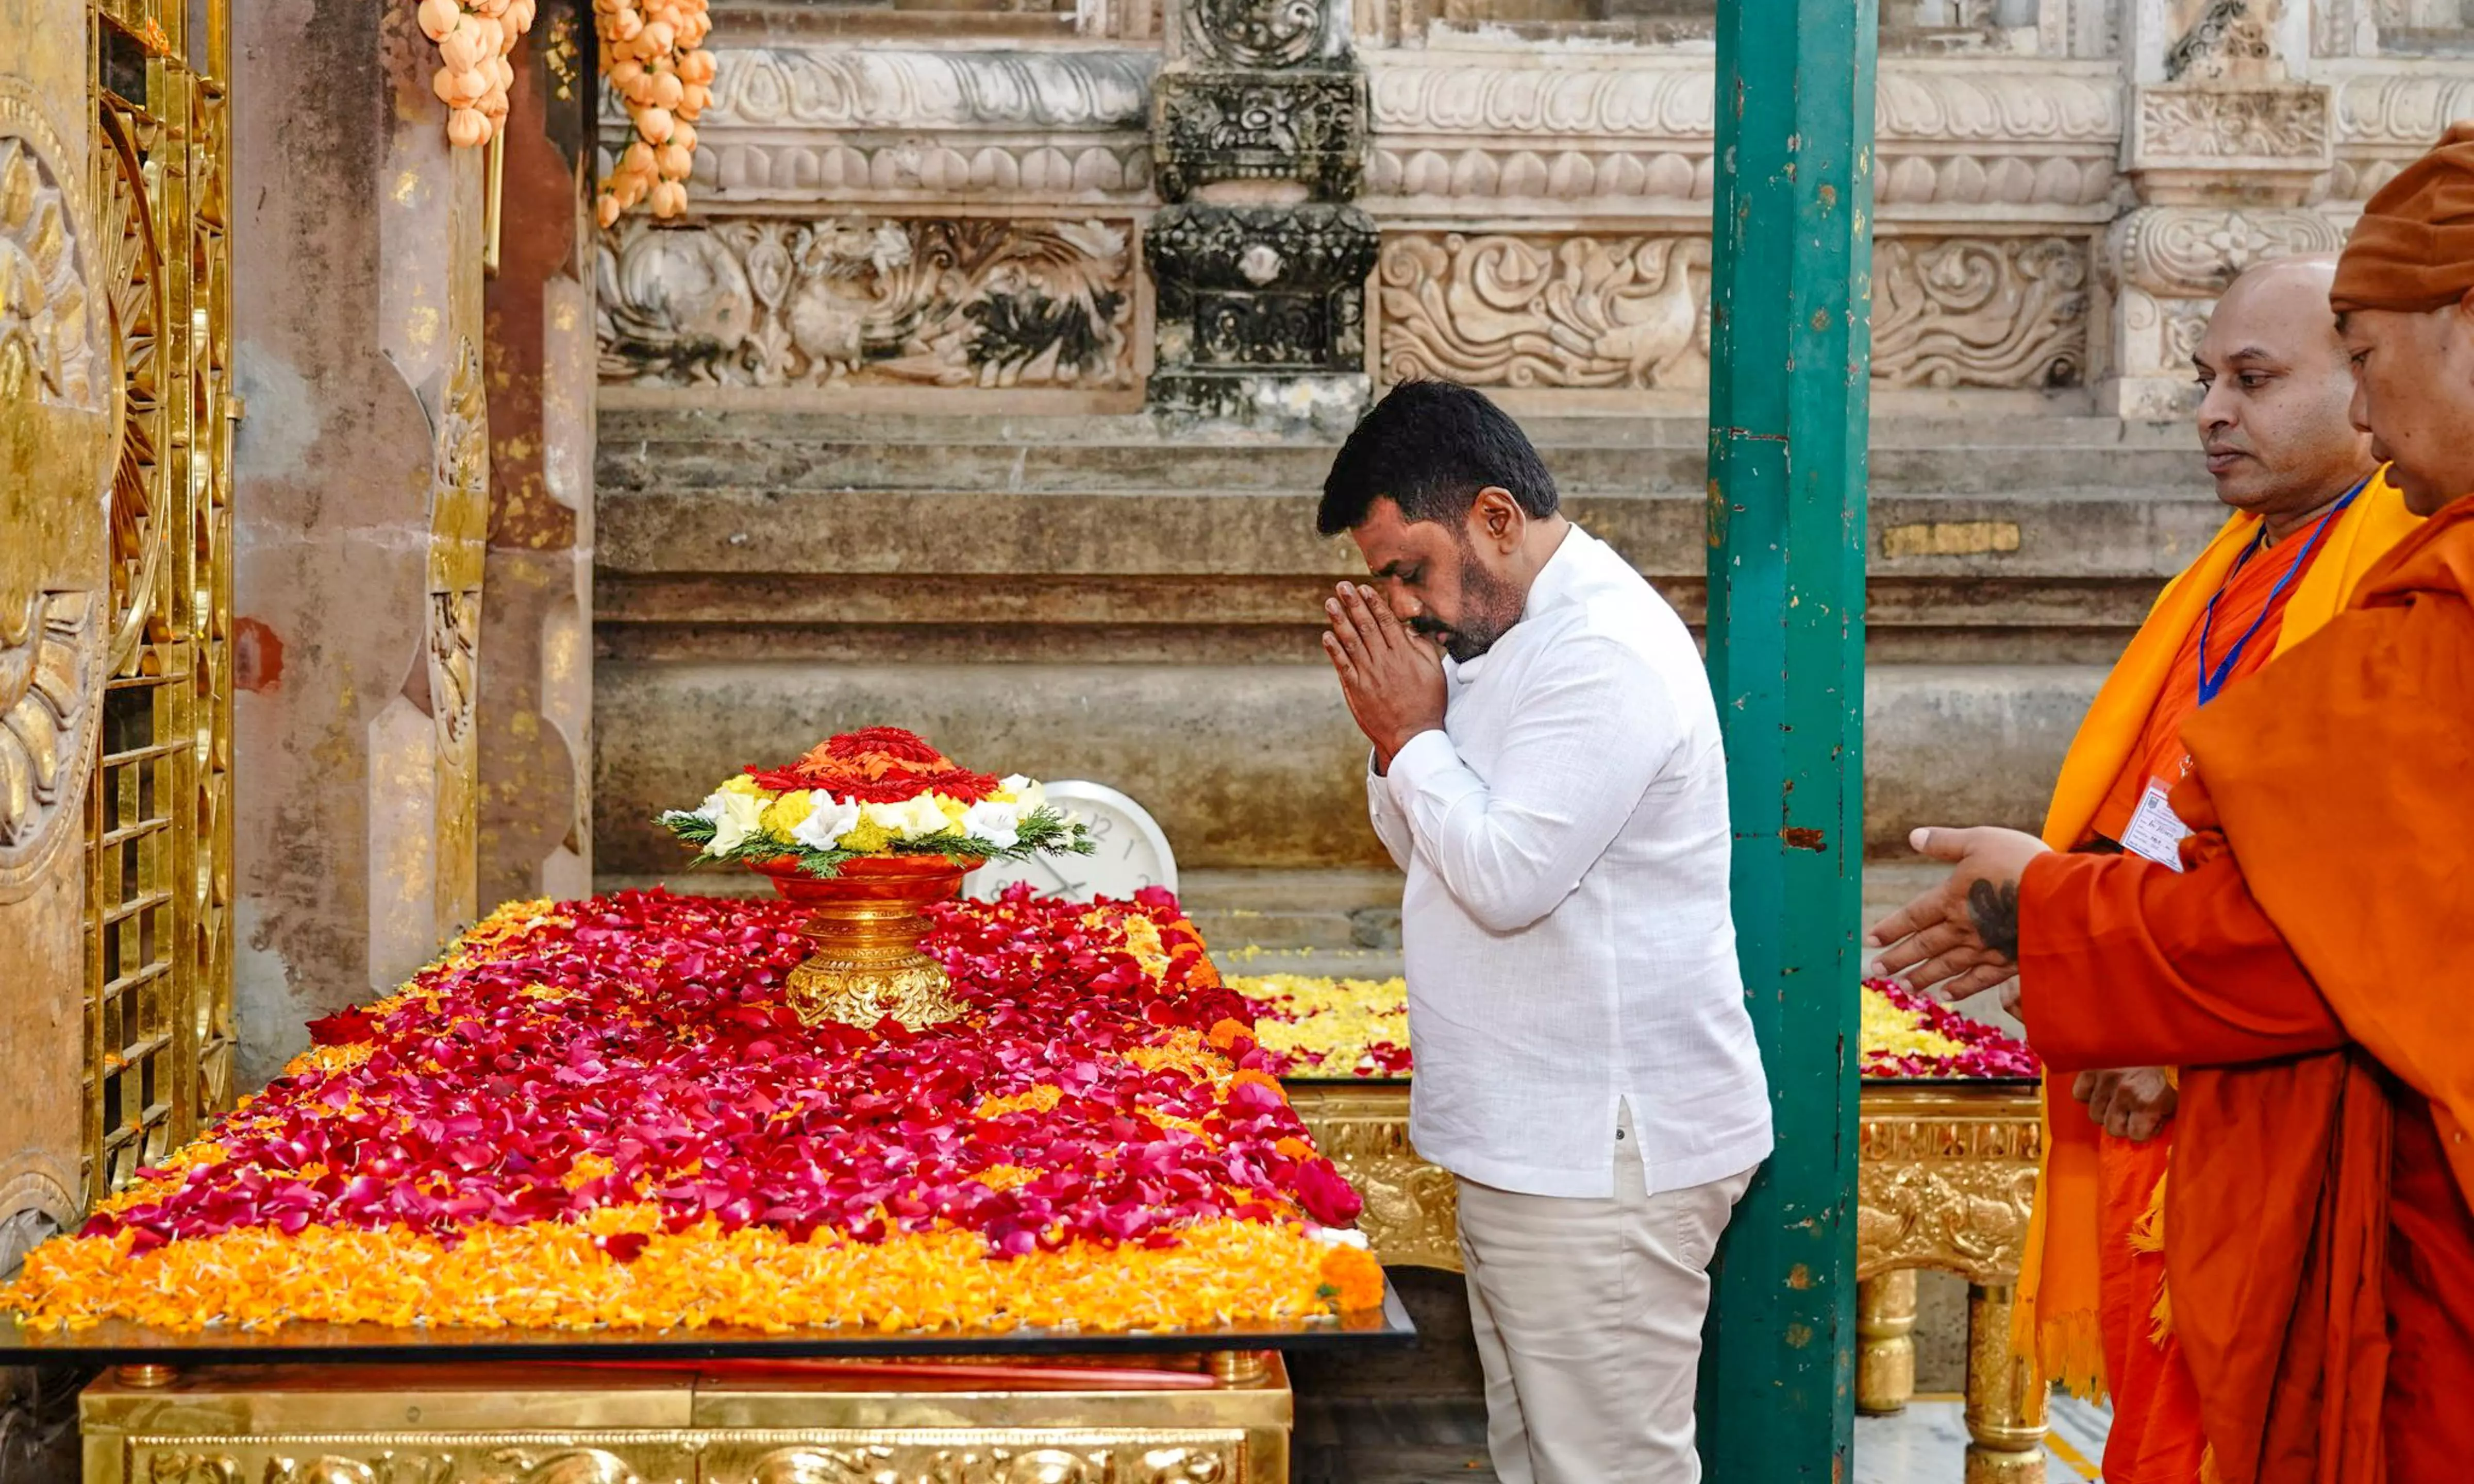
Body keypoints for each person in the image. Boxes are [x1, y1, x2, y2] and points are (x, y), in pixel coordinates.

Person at [1867, 127, 2474, 1484]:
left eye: (2361, 361)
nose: (2373, 424)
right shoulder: (2271, 567)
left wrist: (2062, 917)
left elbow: (2313, 931)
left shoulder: (2426, 600)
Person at [1314, 379, 1771, 1484]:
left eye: (1409, 571)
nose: (1407, 607)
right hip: (1541, 1139)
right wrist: (1400, 742)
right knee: (1541, 1461)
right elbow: (1432, 848)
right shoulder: (1505, 635)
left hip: (1602, 1151)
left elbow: (1509, 877)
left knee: (1605, 1469)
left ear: (1496, 519)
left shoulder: (1600, 649)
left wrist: (1411, 732)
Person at [2016, 254, 2419, 1484]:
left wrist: (2175, 1026)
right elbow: (2150, 800)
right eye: (2205, 380)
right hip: (2151, 1050)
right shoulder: (2240, 563)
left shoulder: (2394, 574)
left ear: (2365, 382)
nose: (2210, 412)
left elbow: (2357, 876)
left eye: (2252, 379)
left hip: (2261, 1082)